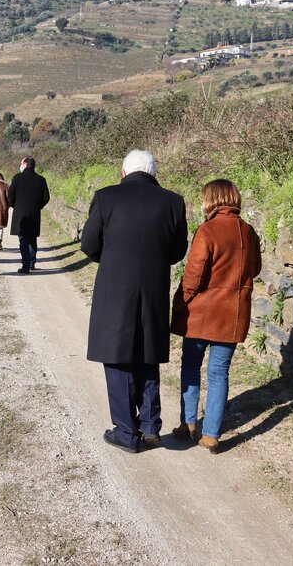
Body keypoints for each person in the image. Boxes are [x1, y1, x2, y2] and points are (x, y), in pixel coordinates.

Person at [81, 150, 188, 453]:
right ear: (154, 173)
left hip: (115, 289)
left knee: (118, 359)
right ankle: (152, 427)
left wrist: (111, 259)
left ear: (123, 172)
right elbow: (178, 250)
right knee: (148, 354)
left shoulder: (106, 197)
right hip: (154, 289)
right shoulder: (173, 202)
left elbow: (89, 243)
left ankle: (127, 432)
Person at [170, 179, 262, 454]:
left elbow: (193, 275)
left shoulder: (207, 230)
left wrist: (182, 301)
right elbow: (255, 269)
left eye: (203, 198)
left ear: (212, 200)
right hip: (232, 314)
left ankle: (188, 425)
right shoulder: (248, 231)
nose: (201, 203)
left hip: (201, 312)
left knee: (190, 367)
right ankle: (211, 434)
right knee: (219, 372)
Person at [7, 156, 49, 274]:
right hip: (34, 213)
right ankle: (31, 262)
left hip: (20, 214)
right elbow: (46, 197)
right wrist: (38, 206)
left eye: (21, 163)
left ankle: (25, 266)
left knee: (23, 240)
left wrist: (15, 205)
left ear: (25, 164)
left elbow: (10, 196)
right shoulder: (41, 179)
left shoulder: (17, 178)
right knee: (32, 238)